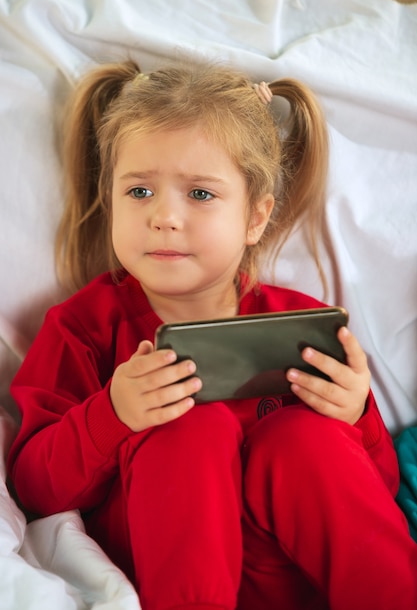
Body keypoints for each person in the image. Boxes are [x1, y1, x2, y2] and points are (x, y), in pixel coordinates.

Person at [7, 59, 417, 610]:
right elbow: (33, 488)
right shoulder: (83, 328)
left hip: (300, 577)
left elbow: (378, 487)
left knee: (306, 441)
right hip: (175, 576)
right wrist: (113, 414)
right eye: (139, 192)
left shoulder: (306, 325)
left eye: (200, 194)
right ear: (111, 199)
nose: (165, 217)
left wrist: (357, 416)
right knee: (187, 426)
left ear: (255, 218)